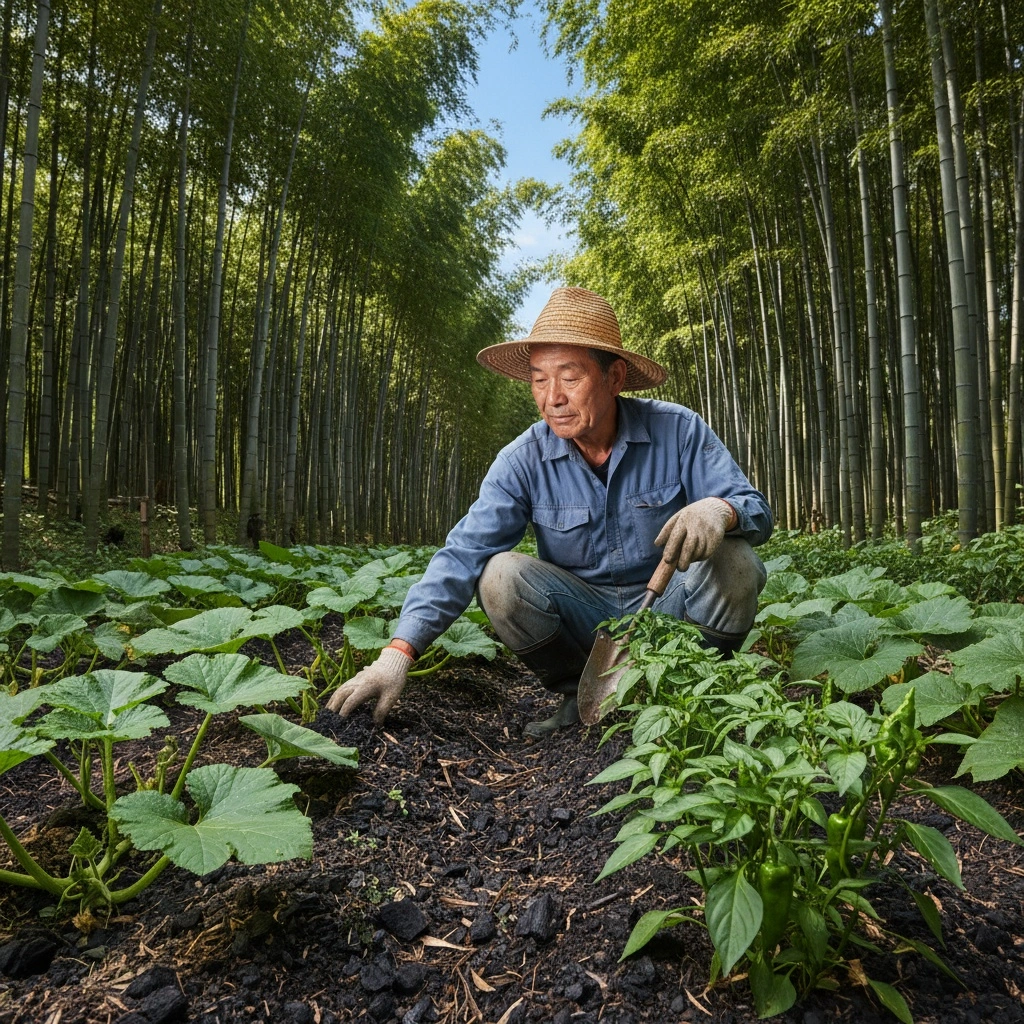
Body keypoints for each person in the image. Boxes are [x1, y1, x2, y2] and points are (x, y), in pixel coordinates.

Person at [327, 287, 773, 735]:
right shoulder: (522, 459)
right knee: (500, 575)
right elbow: (465, 551)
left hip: (672, 608)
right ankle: (577, 696)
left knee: (735, 562)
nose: (552, 397)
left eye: (570, 377)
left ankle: (693, 691)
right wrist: (397, 653)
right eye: (539, 380)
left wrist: (720, 510)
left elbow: (755, 509)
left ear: (614, 378)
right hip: (586, 615)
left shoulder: (678, 430)